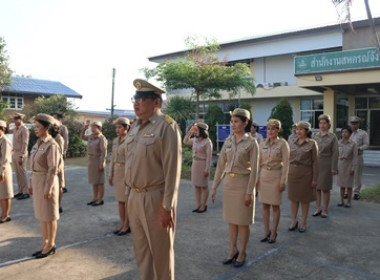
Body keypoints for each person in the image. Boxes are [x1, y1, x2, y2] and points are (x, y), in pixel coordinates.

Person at [125, 79, 181, 280]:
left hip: (155, 200)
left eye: (141, 99)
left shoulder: (166, 127)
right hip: (135, 196)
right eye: (135, 99)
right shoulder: (135, 127)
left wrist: (167, 206)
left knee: (161, 255)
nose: (136, 103)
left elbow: (172, 171)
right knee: (142, 254)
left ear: (156, 102)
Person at [211, 108, 259, 268]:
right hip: (229, 185)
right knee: (231, 221)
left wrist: (249, 192)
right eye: (232, 121)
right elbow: (220, 165)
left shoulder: (252, 143)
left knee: (243, 222)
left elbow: (255, 170)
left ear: (245, 123)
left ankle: (243, 252)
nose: (233, 124)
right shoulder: (228, 141)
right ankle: (233, 250)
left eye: (236, 121)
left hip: (244, 184)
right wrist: (214, 186)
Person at [29, 113, 60, 259]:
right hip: (37, 181)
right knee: (42, 215)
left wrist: (48, 188)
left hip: (47, 182)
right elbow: (34, 165)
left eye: (38, 127)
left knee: (50, 215)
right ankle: (45, 242)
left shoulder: (52, 145)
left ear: (47, 128)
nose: (36, 129)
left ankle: (51, 244)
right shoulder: (38, 143)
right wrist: (31, 183)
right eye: (35, 127)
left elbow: (53, 168)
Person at [257, 119, 289, 244]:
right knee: (264, 206)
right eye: (269, 128)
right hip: (264, 175)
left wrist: (283, 181)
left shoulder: (282, 144)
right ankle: (266, 231)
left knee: (275, 206)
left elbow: (286, 164)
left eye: (274, 128)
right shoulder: (262, 143)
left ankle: (274, 232)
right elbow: (259, 163)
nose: (271, 131)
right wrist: (257, 179)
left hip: (276, 175)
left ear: (278, 130)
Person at [288, 121, 318, 233]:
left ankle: (304, 222)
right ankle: (293, 221)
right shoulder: (291, 142)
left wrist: (315, 178)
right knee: (293, 199)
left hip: (306, 174)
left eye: (301, 129)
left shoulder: (312, 143)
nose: (298, 131)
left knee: (305, 200)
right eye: (297, 129)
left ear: (307, 131)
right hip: (293, 174)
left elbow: (315, 162)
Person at [312, 114, 338, 218]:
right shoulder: (315, 136)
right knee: (317, 188)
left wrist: (334, 167)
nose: (322, 125)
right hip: (316, 164)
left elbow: (335, 152)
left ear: (329, 125)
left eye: (324, 123)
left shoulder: (333, 137)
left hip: (327, 163)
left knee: (325, 188)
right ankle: (318, 208)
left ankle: (325, 209)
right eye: (320, 123)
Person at [183, 121, 213, 213]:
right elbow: (185, 141)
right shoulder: (195, 140)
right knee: (196, 186)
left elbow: (209, 156)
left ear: (202, 131)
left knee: (203, 186)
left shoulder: (207, 142)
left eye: (197, 130)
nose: (195, 132)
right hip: (195, 163)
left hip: (203, 163)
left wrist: (207, 168)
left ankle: (204, 205)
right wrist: (190, 132)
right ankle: (198, 204)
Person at [108, 117, 131, 236]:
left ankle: (127, 225)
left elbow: (131, 160)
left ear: (127, 128)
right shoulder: (116, 141)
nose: (117, 130)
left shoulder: (130, 140)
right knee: (120, 201)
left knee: (126, 201)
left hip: (126, 172)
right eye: (116, 127)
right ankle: (122, 223)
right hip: (117, 172)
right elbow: (112, 159)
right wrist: (110, 174)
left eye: (120, 127)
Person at [81, 121, 107, 206]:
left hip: (98, 160)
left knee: (100, 181)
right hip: (91, 160)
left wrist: (102, 163)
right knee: (94, 181)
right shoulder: (91, 137)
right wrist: (84, 129)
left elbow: (103, 152)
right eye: (91, 128)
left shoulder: (102, 138)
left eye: (94, 128)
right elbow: (82, 137)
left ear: (99, 128)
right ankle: (95, 198)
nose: (92, 129)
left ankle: (100, 199)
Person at [6, 113, 29, 200]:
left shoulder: (24, 129)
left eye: (16, 119)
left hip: (21, 153)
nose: (14, 121)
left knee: (22, 173)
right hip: (15, 152)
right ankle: (20, 191)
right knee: (18, 173)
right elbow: (8, 131)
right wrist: (7, 124)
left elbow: (25, 143)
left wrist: (22, 155)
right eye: (14, 119)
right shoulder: (16, 129)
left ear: (20, 119)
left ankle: (25, 192)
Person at [337, 126, 358, 208]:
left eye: (346, 132)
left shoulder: (353, 143)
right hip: (340, 164)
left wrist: (353, 167)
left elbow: (355, 156)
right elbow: (336, 155)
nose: (344, 134)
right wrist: (335, 167)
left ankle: (349, 201)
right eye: (342, 132)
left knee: (349, 185)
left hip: (349, 164)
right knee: (341, 185)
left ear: (350, 133)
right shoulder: (339, 143)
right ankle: (341, 200)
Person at [349, 116, 369, 200]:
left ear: (358, 124)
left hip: (358, 156)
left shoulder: (363, 133)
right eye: (352, 123)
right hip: (348, 157)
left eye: (355, 123)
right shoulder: (348, 133)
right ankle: (347, 191)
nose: (353, 125)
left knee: (357, 175)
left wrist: (359, 148)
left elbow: (366, 145)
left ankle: (356, 192)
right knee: (348, 174)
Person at [0, 120, 13, 223]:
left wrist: (2, 172)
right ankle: (3, 213)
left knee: (6, 193)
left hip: (4, 169)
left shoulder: (5, 141)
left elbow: (5, 159)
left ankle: (6, 215)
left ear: (2, 129)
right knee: (1, 194)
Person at [53, 113, 69, 193]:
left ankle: (62, 186)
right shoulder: (52, 127)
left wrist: (64, 151)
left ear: (60, 119)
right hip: (54, 150)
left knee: (60, 168)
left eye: (55, 118)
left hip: (61, 149)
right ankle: (56, 184)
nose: (54, 119)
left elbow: (65, 140)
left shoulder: (63, 128)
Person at [53, 121, 65, 214]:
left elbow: (60, 154)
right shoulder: (51, 138)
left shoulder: (59, 138)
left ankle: (59, 205)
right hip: (51, 165)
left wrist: (58, 167)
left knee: (59, 186)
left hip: (58, 165)